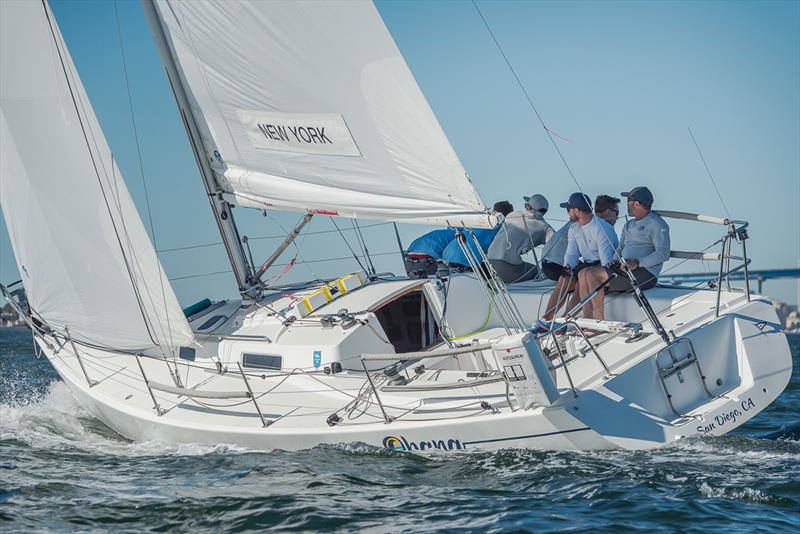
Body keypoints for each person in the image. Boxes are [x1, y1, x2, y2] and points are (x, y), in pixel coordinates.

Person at [578, 186, 670, 321]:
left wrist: (637, 263)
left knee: (592, 275)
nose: (626, 205)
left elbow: (663, 254)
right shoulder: (629, 225)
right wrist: (614, 259)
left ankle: (598, 320)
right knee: (583, 273)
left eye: (628, 201)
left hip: (644, 273)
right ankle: (586, 320)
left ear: (637, 204)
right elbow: (620, 248)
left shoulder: (657, 224)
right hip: (625, 268)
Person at [534, 192, 618, 332]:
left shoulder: (601, 228)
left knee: (582, 278)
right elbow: (572, 253)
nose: (568, 213)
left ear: (577, 211)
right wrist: (568, 267)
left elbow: (606, 261)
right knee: (565, 277)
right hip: (587, 263)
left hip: (602, 266)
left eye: (569, 210)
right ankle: (546, 319)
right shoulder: (574, 228)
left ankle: (566, 319)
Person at [487, 194, 554, 283]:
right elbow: (557, 246)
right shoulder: (545, 228)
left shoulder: (511, 215)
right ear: (544, 212)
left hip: (489, 264)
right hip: (507, 268)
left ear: (528, 207)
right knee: (541, 273)